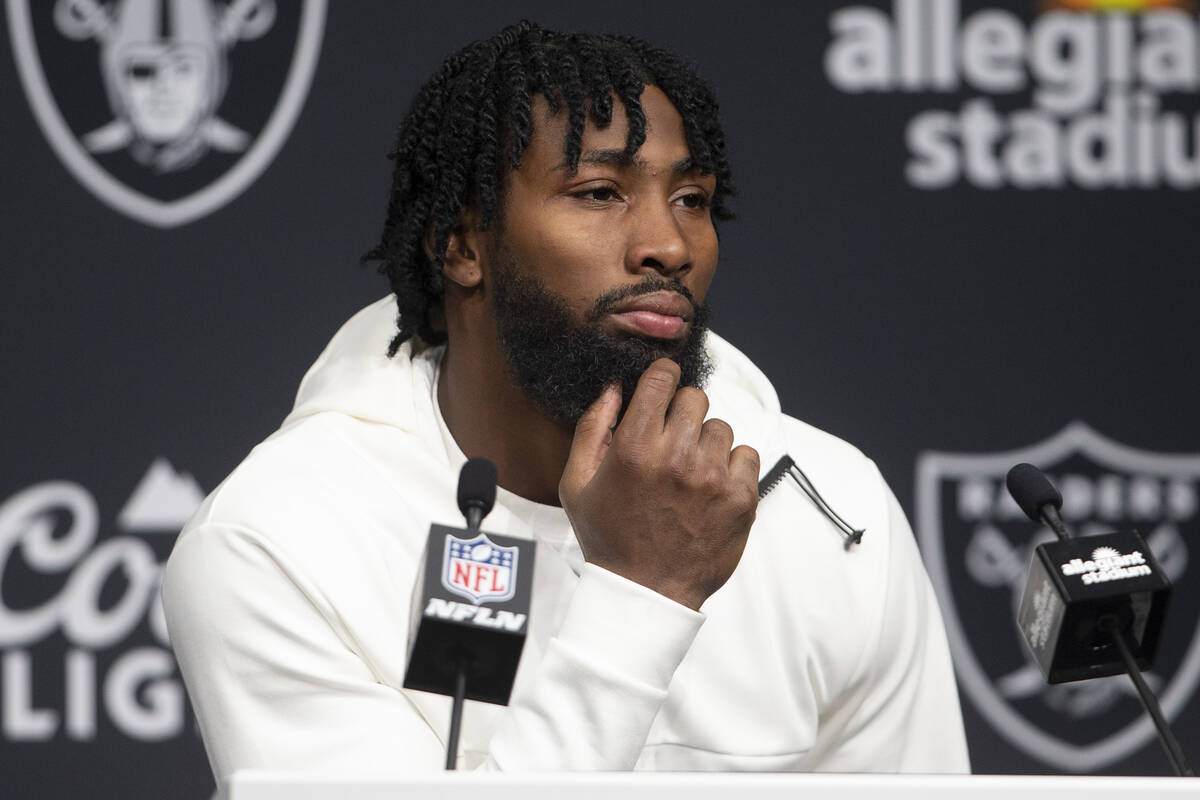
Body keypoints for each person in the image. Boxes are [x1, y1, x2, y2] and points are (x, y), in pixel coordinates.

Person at [162, 21, 970, 784]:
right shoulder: (276, 539)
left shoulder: (832, 508)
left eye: (691, 199)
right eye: (598, 192)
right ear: (461, 242)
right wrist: (644, 592)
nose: (670, 245)